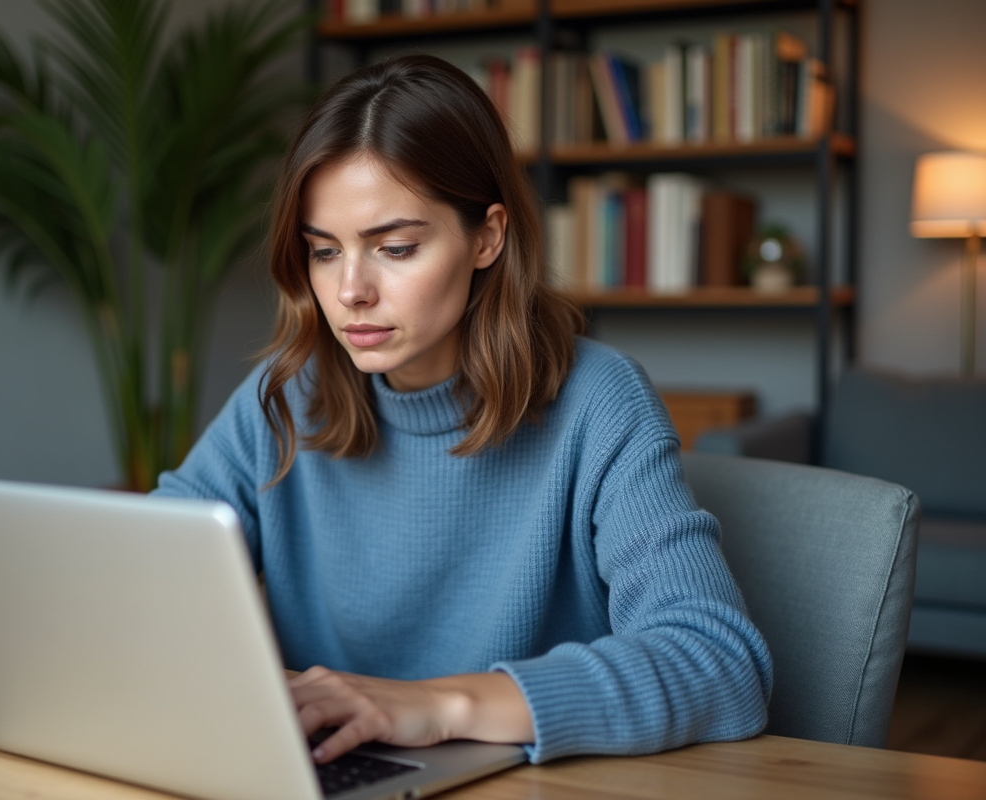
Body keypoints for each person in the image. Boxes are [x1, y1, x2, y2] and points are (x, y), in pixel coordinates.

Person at [153, 54, 772, 766]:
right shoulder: (286, 395)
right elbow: (142, 570)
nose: (351, 290)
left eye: (395, 247)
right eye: (324, 252)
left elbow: (722, 665)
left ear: (487, 237)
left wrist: (438, 705)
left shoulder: (599, 404)